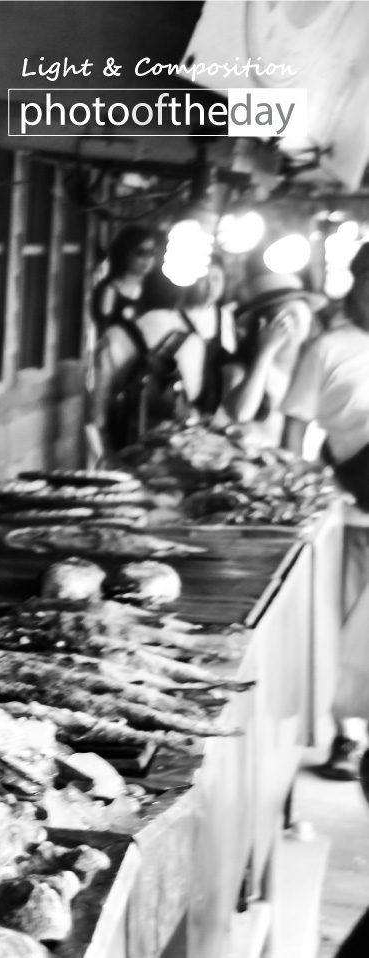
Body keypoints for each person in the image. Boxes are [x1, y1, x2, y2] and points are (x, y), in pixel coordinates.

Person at [281, 243, 369, 780]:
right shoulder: (330, 348)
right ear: (356, 283)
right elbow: (295, 429)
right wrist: (297, 491)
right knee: (351, 633)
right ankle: (347, 735)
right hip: (355, 515)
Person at [88, 259, 234, 460]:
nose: (210, 286)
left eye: (217, 279)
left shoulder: (225, 321)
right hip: (169, 449)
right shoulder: (177, 333)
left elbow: (96, 415)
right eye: (203, 279)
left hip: (141, 450)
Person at [221, 272, 326, 447]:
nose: (299, 321)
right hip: (252, 462)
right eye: (288, 315)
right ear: (263, 325)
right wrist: (265, 352)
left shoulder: (313, 362)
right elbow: (240, 414)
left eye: (302, 312)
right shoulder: (238, 367)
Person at [89, 224, 159, 333]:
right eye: (140, 253)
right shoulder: (110, 290)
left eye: (151, 253)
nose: (147, 259)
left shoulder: (150, 290)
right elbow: (104, 332)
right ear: (126, 253)